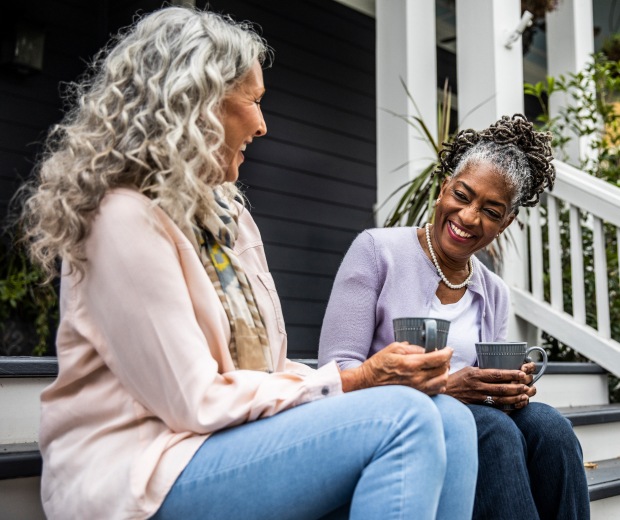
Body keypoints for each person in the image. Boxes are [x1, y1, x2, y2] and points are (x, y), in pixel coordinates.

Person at [19, 6, 479, 519]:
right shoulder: (124, 217)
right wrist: (354, 380)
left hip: (229, 443)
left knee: (451, 419)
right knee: (406, 419)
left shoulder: (227, 215)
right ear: (194, 103)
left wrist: (360, 382)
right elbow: (194, 402)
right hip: (140, 471)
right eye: (253, 100)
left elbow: (267, 367)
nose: (262, 125)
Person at [318, 114, 590, 520]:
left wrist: (507, 386)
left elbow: (484, 389)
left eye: (491, 211)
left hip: (470, 417)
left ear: (507, 222)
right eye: (462, 196)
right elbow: (336, 371)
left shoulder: (493, 290)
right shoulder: (377, 250)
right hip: (389, 419)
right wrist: (446, 388)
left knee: (551, 428)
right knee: (493, 431)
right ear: (445, 187)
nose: (468, 217)